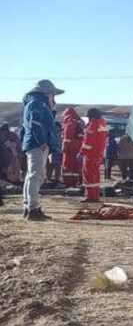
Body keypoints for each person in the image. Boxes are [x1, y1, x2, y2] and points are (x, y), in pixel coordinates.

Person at [21, 80, 64, 221]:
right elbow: (36, 122)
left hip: (34, 143)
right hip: (38, 144)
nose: (53, 97)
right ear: (47, 93)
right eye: (52, 94)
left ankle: (28, 206)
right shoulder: (37, 103)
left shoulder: (34, 103)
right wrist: (42, 141)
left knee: (32, 175)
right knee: (36, 175)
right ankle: (33, 208)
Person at [80, 109, 109, 203]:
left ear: (92, 117)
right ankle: (95, 195)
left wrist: (82, 152)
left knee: (89, 175)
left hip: (90, 154)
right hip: (99, 153)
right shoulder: (103, 124)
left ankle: (90, 196)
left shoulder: (93, 125)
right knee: (96, 175)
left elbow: (88, 141)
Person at [60, 107, 84, 187]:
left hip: (70, 147)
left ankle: (68, 182)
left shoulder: (69, 121)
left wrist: (64, 145)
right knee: (75, 165)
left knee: (67, 164)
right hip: (78, 146)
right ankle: (74, 182)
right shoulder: (79, 122)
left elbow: (67, 134)